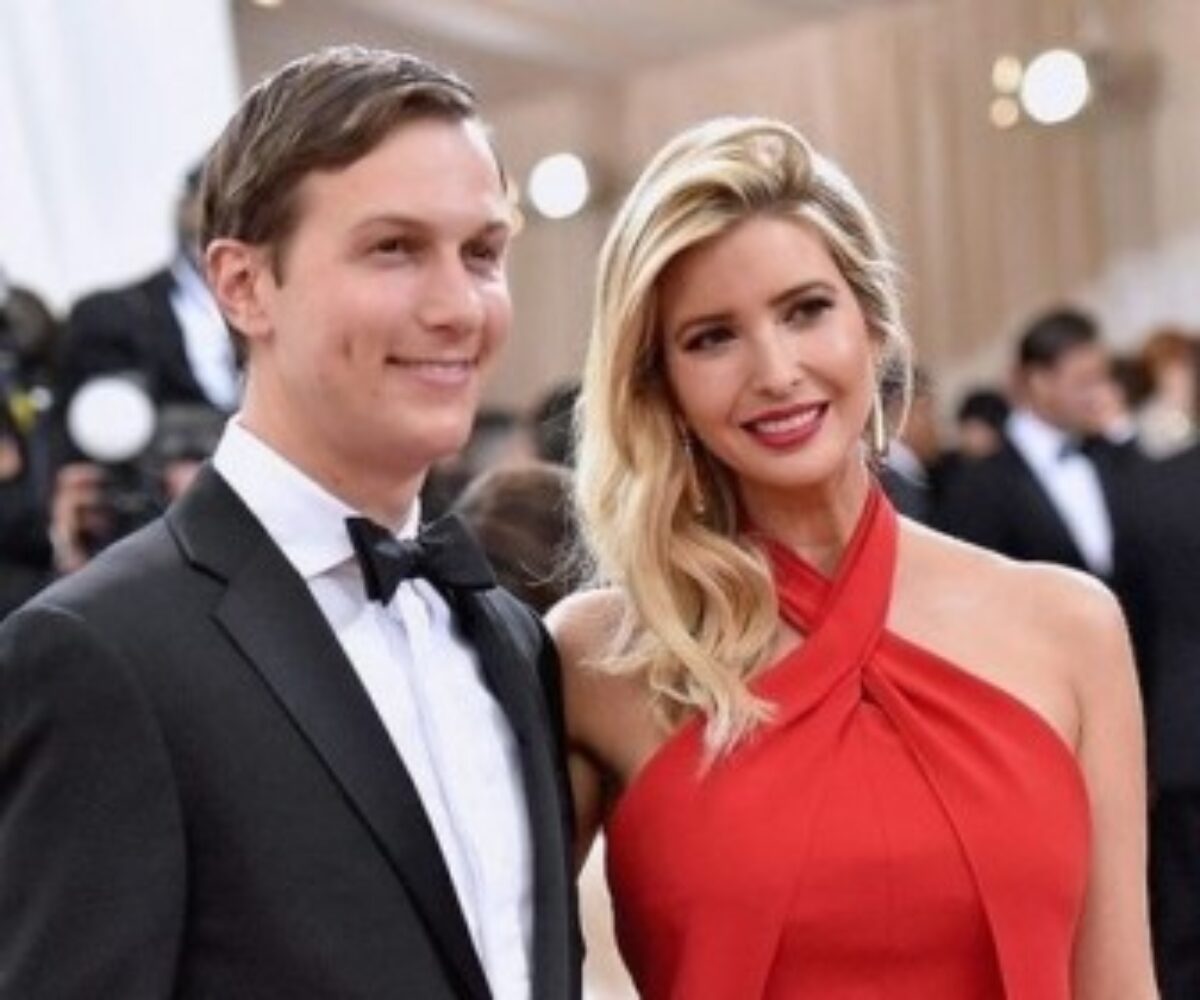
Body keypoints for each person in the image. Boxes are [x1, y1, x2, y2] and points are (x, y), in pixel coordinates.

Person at [0, 46, 579, 999]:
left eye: (481, 253)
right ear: (241, 285)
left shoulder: (511, 638)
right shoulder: (98, 655)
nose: (456, 307)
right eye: (394, 248)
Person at [549, 116, 1155, 998]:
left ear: (872, 325)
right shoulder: (600, 656)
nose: (775, 370)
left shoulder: (1068, 625)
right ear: (659, 385)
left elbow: (1120, 985)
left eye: (805, 310)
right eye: (712, 336)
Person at [939, 308, 1127, 581]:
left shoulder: (1111, 458)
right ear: (1040, 382)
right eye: (1084, 382)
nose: (1100, 394)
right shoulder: (982, 483)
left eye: (1104, 379)